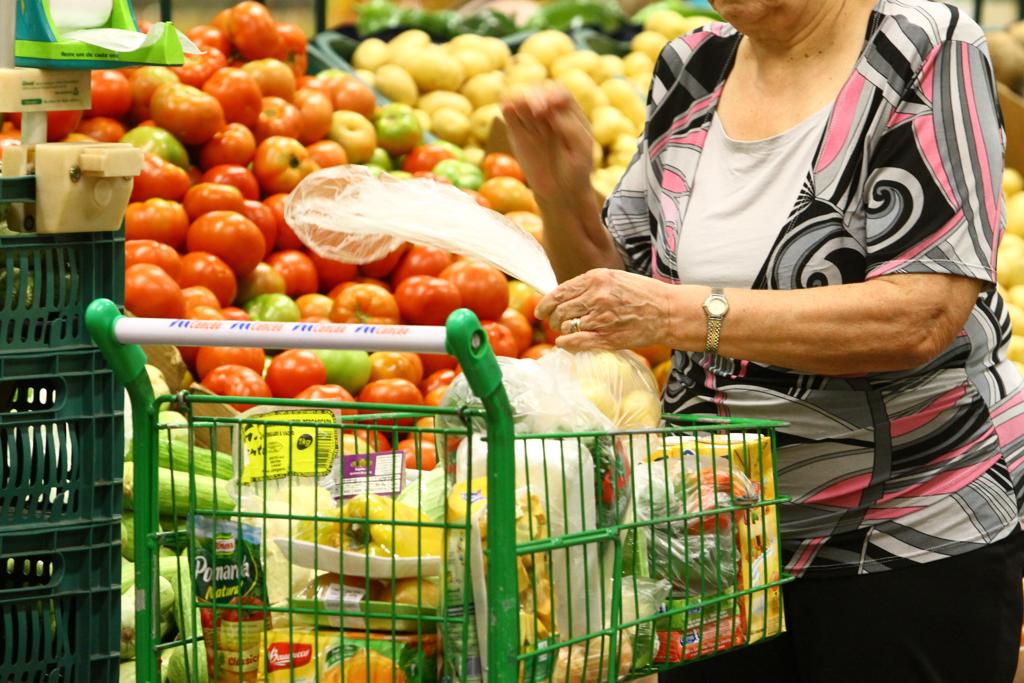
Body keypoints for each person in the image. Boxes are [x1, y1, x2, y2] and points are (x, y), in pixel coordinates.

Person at [503, 0, 1024, 680]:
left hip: (901, 535)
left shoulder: (923, 48)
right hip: (714, 537)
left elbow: (921, 314)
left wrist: (684, 314)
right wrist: (560, 194)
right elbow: (618, 301)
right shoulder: (693, 66)